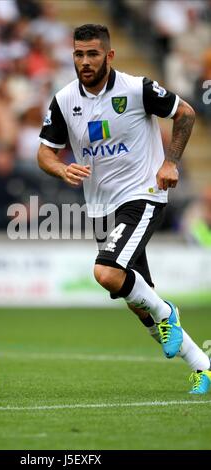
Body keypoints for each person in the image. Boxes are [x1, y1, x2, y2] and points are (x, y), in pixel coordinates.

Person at [37, 24, 211, 394]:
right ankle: (202, 365)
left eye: (93, 54)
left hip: (142, 194)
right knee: (137, 301)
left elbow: (186, 114)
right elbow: (44, 152)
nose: (84, 62)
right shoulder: (65, 100)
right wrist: (60, 167)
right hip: (100, 206)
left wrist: (170, 162)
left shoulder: (137, 89)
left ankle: (168, 313)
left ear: (109, 55)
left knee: (107, 273)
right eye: (79, 54)